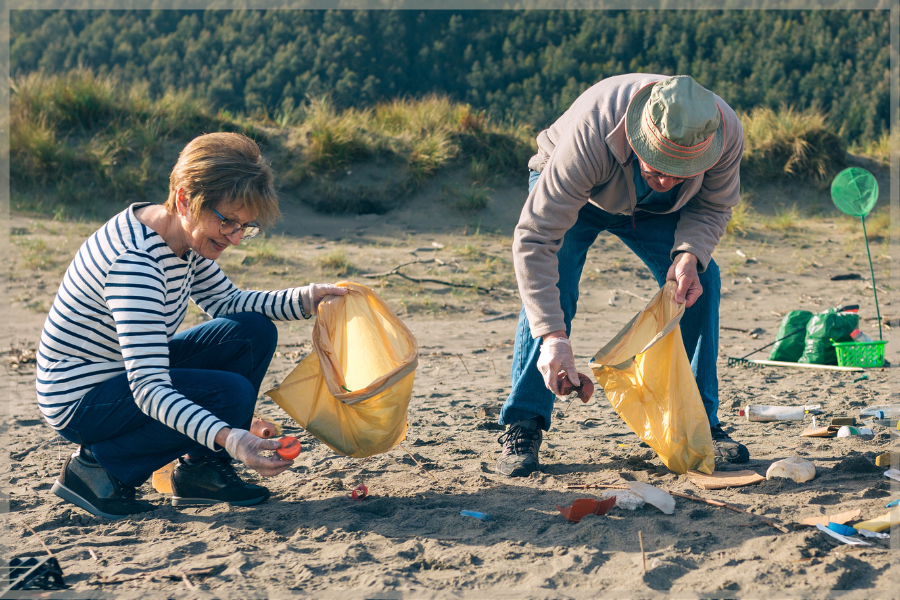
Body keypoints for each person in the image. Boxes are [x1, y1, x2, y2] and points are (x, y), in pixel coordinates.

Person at [37, 132, 347, 519]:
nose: (235, 238)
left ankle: (200, 472)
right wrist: (232, 438)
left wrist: (309, 298)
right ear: (185, 198)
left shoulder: (178, 235)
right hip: (81, 399)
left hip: (123, 374)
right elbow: (149, 389)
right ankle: (99, 468)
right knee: (227, 395)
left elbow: (227, 302)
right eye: (228, 222)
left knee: (252, 332)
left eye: (245, 227)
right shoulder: (137, 265)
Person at [496, 74, 750, 477]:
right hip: (580, 189)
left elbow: (713, 206)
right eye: (660, 167)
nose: (667, 180)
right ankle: (522, 424)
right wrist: (552, 337)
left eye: (681, 172)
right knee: (554, 286)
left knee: (700, 281)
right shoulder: (592, 135)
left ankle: (700, 424)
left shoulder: (724, 131)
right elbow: (535, 239)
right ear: (637, 139)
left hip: (656, 212)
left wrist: (688, 253)